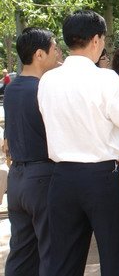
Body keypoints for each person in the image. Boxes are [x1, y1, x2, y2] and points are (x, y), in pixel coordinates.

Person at [37, 10, 119, 275]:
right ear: (96, 39)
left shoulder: (48, 80)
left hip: (62, 177)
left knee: (64, 261)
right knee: (113, 258)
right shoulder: (106, 79)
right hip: (101, 176)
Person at [3, 28, 59, 275]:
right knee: (51, 252)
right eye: (54, 48)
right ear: (39, 54)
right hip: (42, 177)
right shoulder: (43, 90)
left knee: (21, 251)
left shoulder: (12, 88)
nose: (58, 53)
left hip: (17, 179)